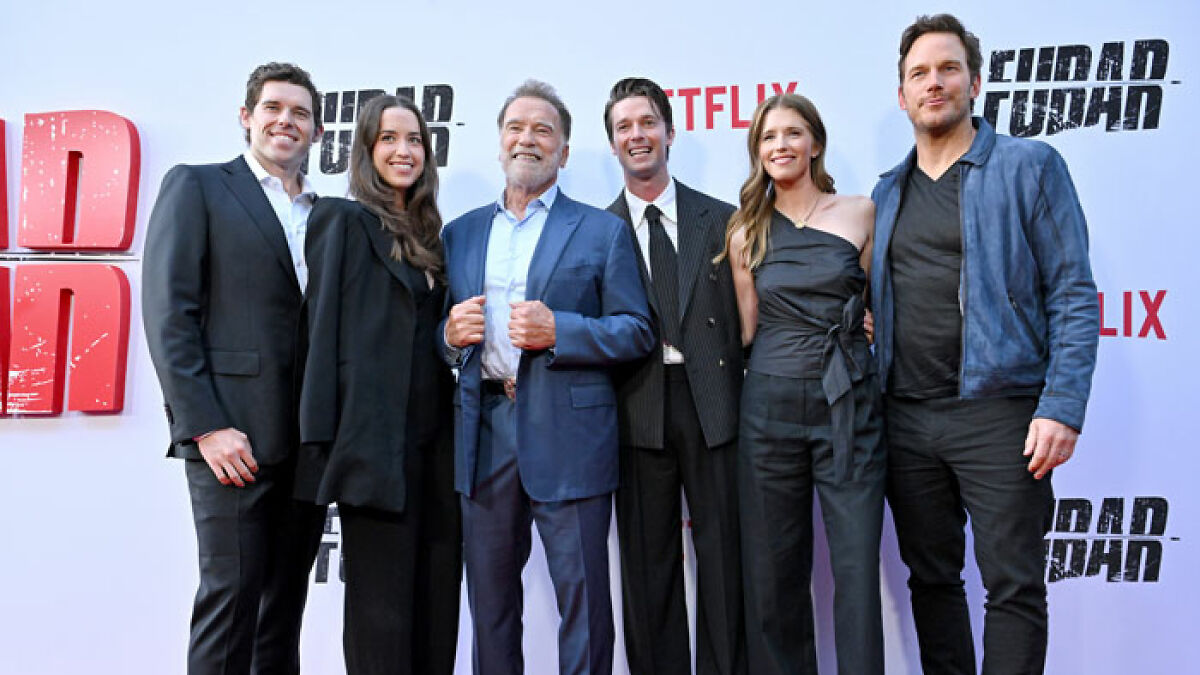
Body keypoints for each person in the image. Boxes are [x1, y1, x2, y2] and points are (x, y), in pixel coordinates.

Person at [873, 14, 1100, 674]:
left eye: (948, 68)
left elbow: (1072, 292)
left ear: (974, 82)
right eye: (919, 73)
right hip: (906, 419)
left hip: (1001, 414)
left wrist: (1061, 406)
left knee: (1014, 586)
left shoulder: (1029, 166)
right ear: (902, 95)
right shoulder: (887, 191)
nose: (934, 82)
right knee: (932, 581)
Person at [441, 79, 653, 675]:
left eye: (543, 130)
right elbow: (439, 335)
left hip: (571, 435)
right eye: (516, 127)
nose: (527, 139)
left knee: (583, 603)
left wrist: (562, 329)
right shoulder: (460, 233)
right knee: (489, 607)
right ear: (499, 143)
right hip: (484, 434)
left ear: (564, 151)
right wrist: (447, 336)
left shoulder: (601, 230)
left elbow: (637, 329)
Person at [142, 62, 328, 675]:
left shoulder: (328, 215)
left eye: (300, 113)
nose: (286, 121)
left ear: (317, 131)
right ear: (246, 117)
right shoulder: (197, 186)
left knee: (283, 613)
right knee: (230, 606)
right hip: (232, 440)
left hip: (307, 447)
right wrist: (205, 426)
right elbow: (170, 314)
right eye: (273, 108)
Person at [296, 94, 460, 675]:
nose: (403, 150)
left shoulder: (432, 238)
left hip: (438, 451)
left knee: (437, 608)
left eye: (414, 139)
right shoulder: (341, 220)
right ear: (366, 150)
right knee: (381, 618)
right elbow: (320, 334)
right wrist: (319, 448)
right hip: (373, 453)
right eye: (388, 138)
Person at [722, 93, 884, 675]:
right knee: (773, 574)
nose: (781, 145)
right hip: (768, 407)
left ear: (815, 143)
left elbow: (875, 300)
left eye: (792, 133)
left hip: (848, 406)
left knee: (857, 571)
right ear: (757, 152)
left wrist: (864, 323)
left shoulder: (862, 212)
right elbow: (747, 330)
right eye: (768, 137)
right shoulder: (745, 231)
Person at [603, 77, 745, 675]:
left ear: (670, 131)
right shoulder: (598, 230)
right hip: (637, 405)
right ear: (613, 143)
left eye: (647, 123)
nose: (637, 135)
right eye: (624, 127)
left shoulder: (724, 219)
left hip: (715, 402)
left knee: (725, 562)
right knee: (646, 567)